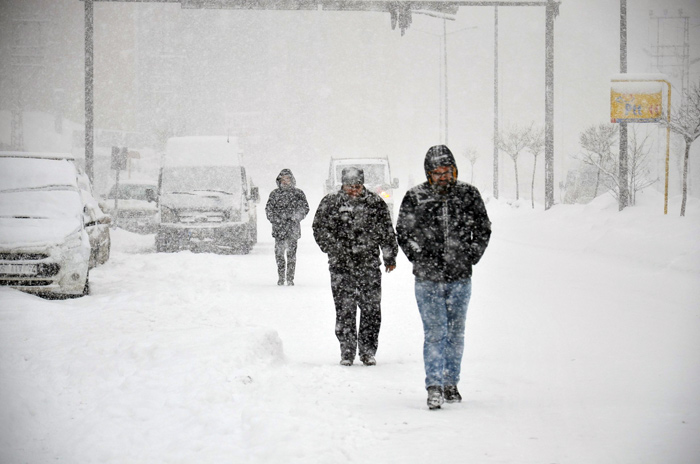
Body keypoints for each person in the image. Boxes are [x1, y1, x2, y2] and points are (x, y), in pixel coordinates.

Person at [396, 145, 491, 410]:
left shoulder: (468, 195)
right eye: (436, 172)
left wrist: (471, 255)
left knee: (456, 333)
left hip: (460, 278)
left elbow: (483, 228)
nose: (442, 176)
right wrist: (418, 256)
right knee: (436, 332)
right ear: (428, 173)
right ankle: (434, 386)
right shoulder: (415, 197)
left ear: (454, 170)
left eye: (447, 171)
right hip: (427, 279)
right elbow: (403, 232)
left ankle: (451, 383)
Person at [313, 167, 398, 366]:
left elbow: (386, 231)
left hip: (368, 265)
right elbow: (319, 228)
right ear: (342, 185)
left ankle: (368, 350)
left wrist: (390, 256)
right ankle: (347, 351)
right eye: (349, 186)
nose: (353, 190)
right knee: (345, 309)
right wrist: (334, 248)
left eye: (357, 186)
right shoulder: (330, 202)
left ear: (362, 184)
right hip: (341, 266)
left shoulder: (375, 203)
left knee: (371, 309)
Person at [265, 169, 309, 286]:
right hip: (279, 230)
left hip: (293, 229)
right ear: (279, 181)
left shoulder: (298, 193)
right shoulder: (274, 194)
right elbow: (269, 209)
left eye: (287, 179)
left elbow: (305, 208)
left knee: (291, 255)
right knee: (279, 254)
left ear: (292, 180)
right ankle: (280, 277)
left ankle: (290, 278)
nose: (285, 181)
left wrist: (296, 216)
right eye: (283, 179)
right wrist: (275, 219)